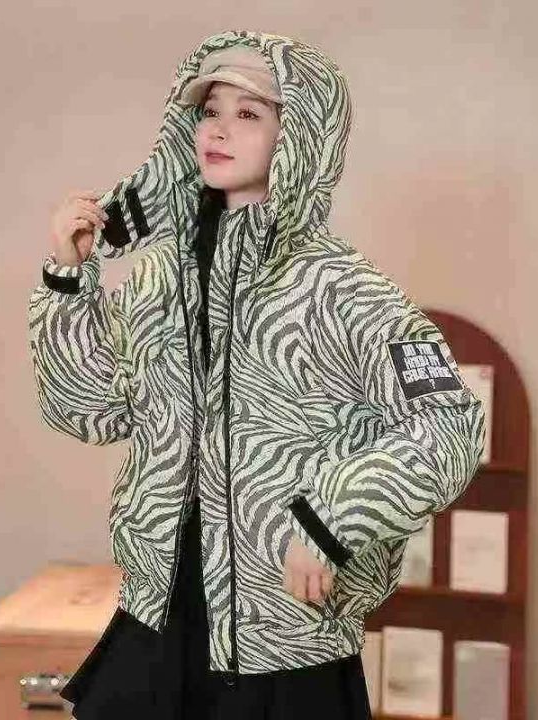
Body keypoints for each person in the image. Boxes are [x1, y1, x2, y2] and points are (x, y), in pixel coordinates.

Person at [27, 30, 486, 719]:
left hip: (285, 647)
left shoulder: (344, 289)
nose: (219, 130)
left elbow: (452, 426)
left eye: (249, 114)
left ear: (296, 135)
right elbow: (90, 410)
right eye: (210, 111)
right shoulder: (159, 275)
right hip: (157, 623)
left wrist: (331, 520)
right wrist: (69, 280)